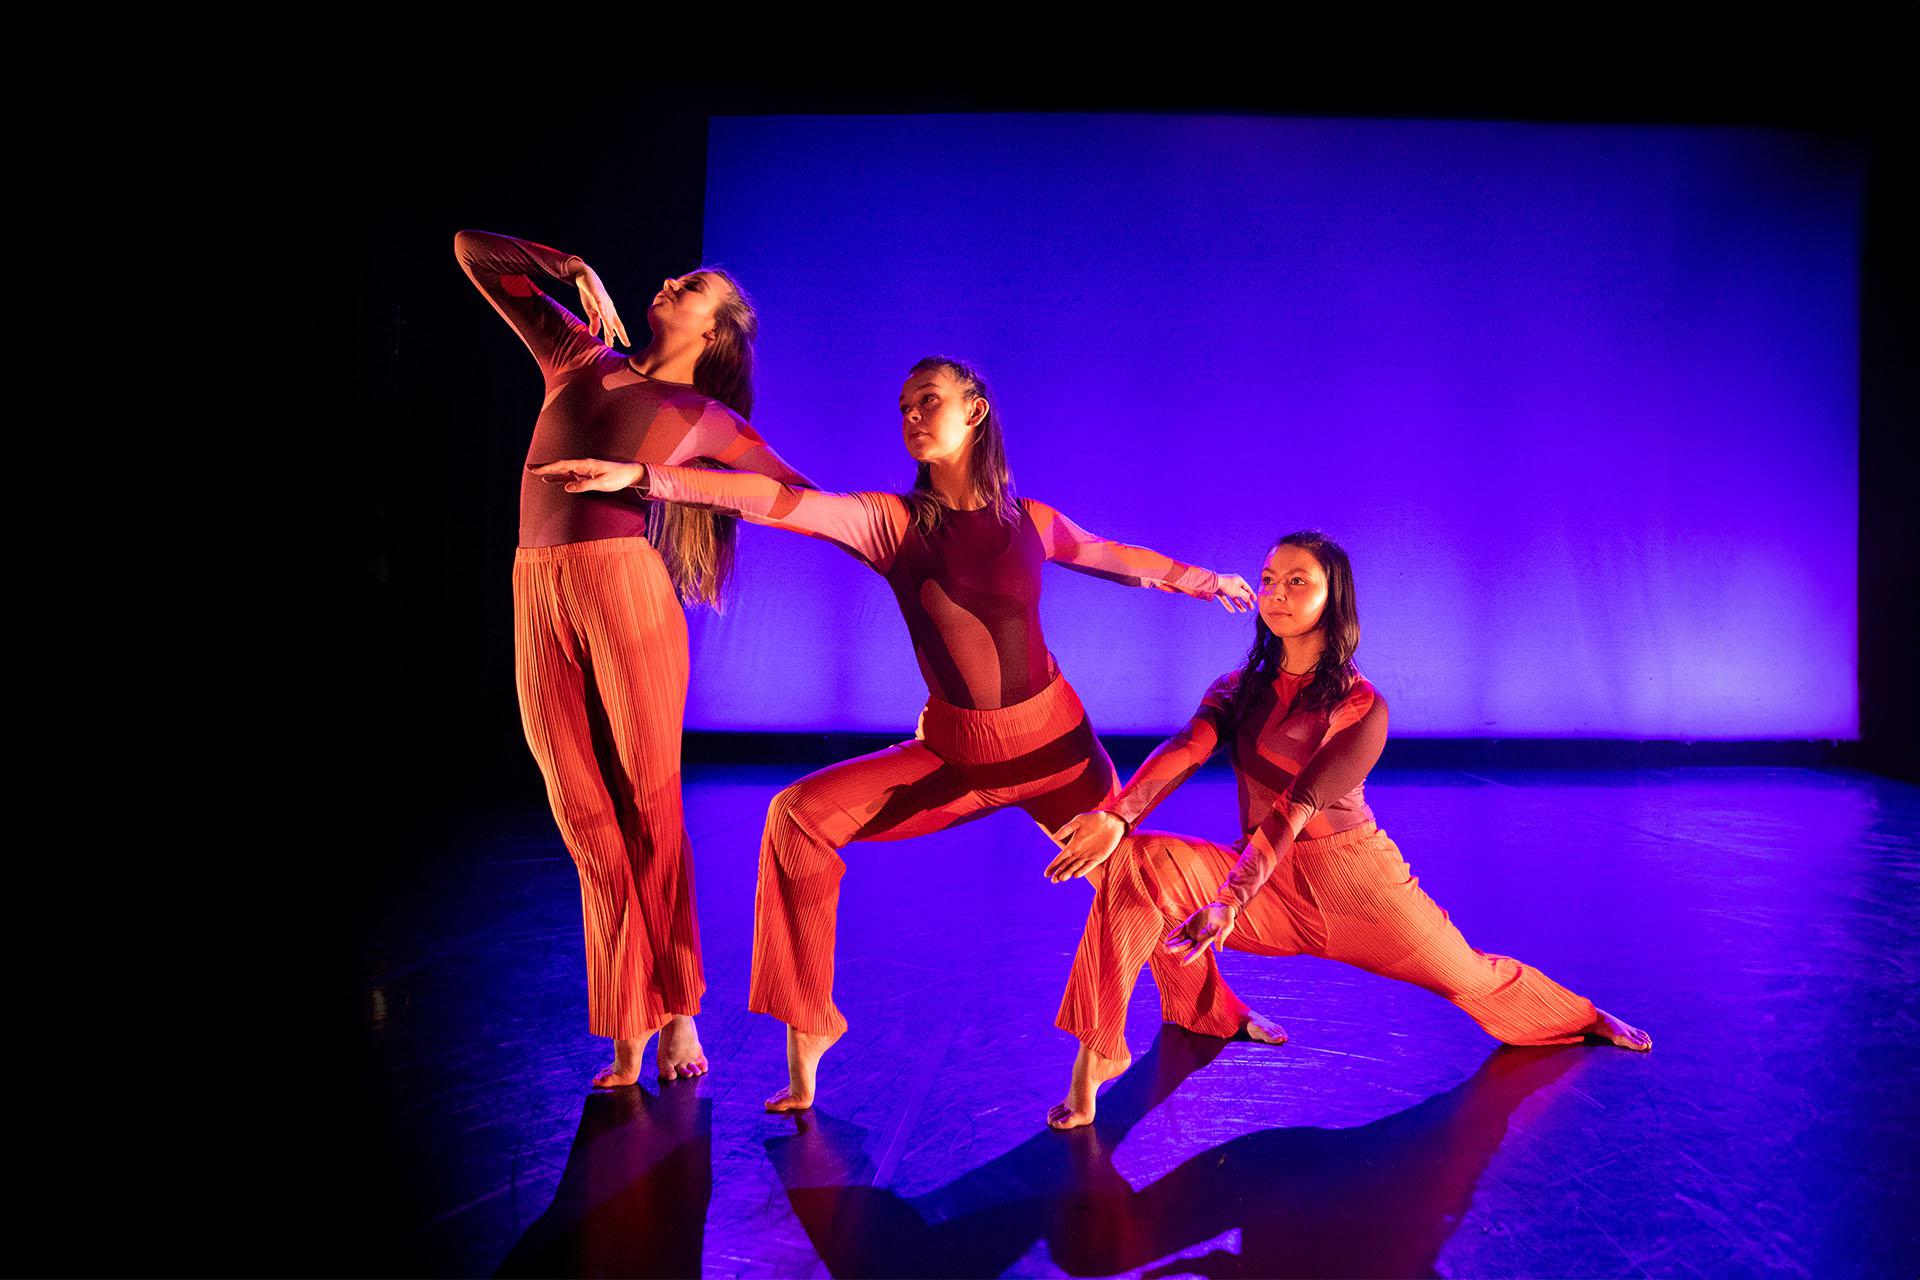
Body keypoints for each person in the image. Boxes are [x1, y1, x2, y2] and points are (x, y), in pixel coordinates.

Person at [532, 356, 1278, 1112]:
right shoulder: (890, 522)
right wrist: (644, 480)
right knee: (795, 818)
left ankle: (1207, 1005)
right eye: (903, 407)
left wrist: (1205, 580)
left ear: (976, 411)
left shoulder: (1033, 522)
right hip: (956, 758)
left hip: (1059, 754)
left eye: (929, 401)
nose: (912, 418)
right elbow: (769, 499)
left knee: (1135, 874)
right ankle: (810, 1021)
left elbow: (1119, 560)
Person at [1043, 530, 1651, 1129]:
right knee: (1135, 866)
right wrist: (1116, 816)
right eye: (1269, 581)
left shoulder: (1362, 706)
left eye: (1297, 582)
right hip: (1267, 880)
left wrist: (1229, 898)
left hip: (1358, 888)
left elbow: (1299, 803)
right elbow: (1185, 748)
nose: (1276, 594)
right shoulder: (1235, 688)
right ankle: (1110, 1048)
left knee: (1468, 976)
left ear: (1334, 598)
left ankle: (1580, 1015)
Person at [455, 229, 811, 1087]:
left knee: (649, 807)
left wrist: (655, 483)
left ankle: (676, 1010)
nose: (667, 280)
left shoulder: (707, 420)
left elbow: (791, 496)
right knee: (582, 811)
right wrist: (568, 267)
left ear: (717, 334)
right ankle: (627, 1016)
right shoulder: (578, 356)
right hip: (534, 588)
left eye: (689, 286)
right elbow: (473, 251)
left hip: (626, 589)